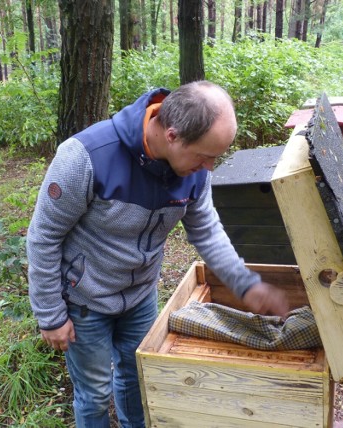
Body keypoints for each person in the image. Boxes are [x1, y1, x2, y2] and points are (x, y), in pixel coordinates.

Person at [27, 80, 291, 427]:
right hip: (85, 300)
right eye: (205, 156)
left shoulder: (193, 172)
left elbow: (207, 230)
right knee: (93, 393)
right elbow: (43, 237)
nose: (209, 168)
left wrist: (245, 285)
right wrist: (50, 315)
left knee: (138, 377)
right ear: (172, 135)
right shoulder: (86, 157)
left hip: (140, 296)